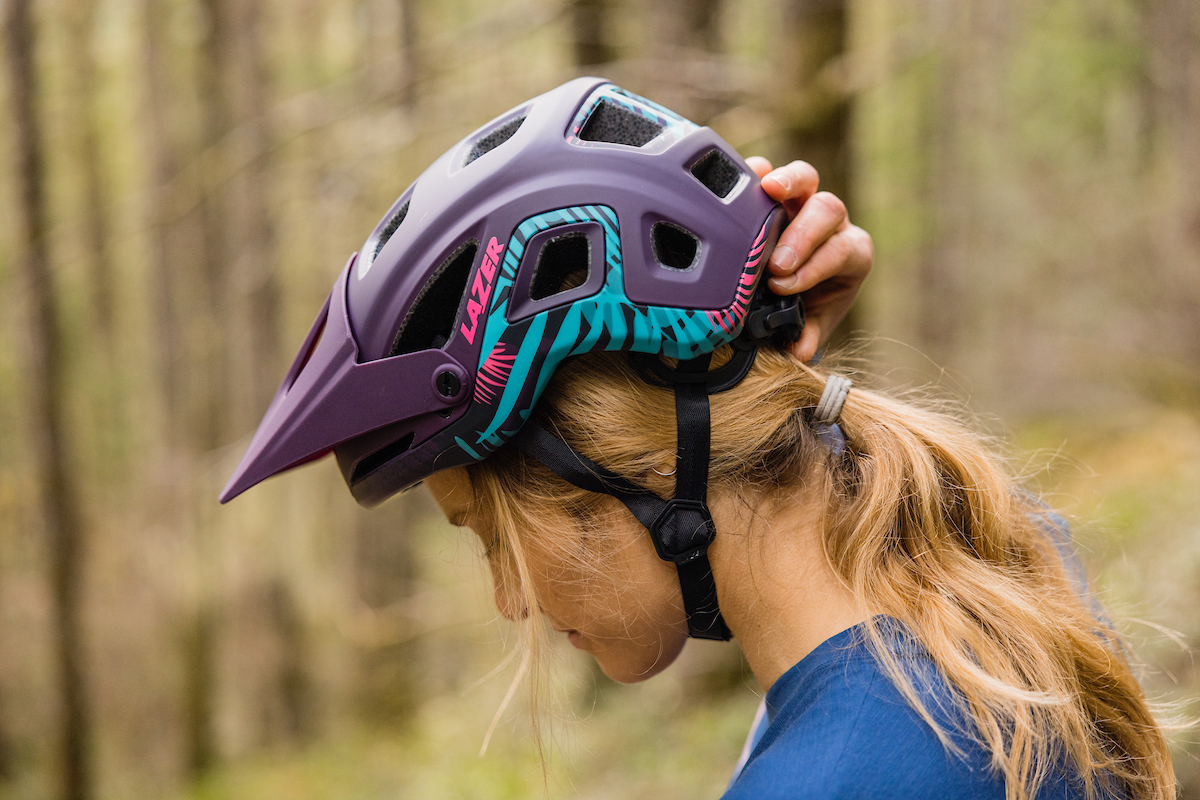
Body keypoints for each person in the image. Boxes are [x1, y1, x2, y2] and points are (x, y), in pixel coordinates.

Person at [220, 79, 1174, 799]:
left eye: (488, 534)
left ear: (602, 459)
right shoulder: (1002, 570)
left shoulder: (840, 772)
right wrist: (753, 356)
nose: (511, 599)